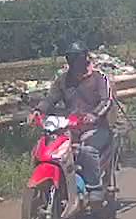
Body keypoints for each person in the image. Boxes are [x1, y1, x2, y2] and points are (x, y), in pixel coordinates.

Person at [29, 41, 117, 203]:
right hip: (71, 127)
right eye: (71, 58)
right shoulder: (63, 80)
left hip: (96, 128)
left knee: (87, 150)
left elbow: (106, 101)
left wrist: (94, 115)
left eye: (77, 58)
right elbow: (50, 99)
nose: (74, 63)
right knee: (49, 148)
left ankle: (94, 187)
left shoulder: (99, 78)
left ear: (84, 58)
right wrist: (39, 111)